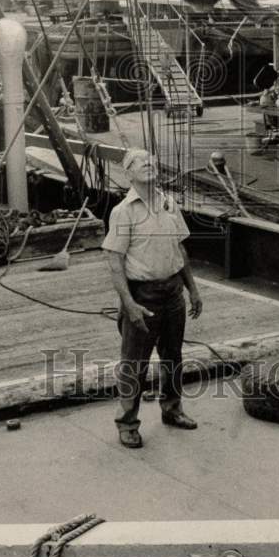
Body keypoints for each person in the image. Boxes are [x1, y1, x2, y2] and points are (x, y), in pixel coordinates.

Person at [102, 148, 203, 449]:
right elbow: (114, 261)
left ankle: (172, 410)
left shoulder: (169, 204)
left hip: (172, 292)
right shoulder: (123, 212)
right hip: (142, 296)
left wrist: (192, 289)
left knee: (173, 357)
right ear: (128, 174)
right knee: (135, 363)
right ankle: (127, 422)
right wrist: (129, 304)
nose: (147, 163)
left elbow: (179, 251)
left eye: (150, 160)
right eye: (138, 162)